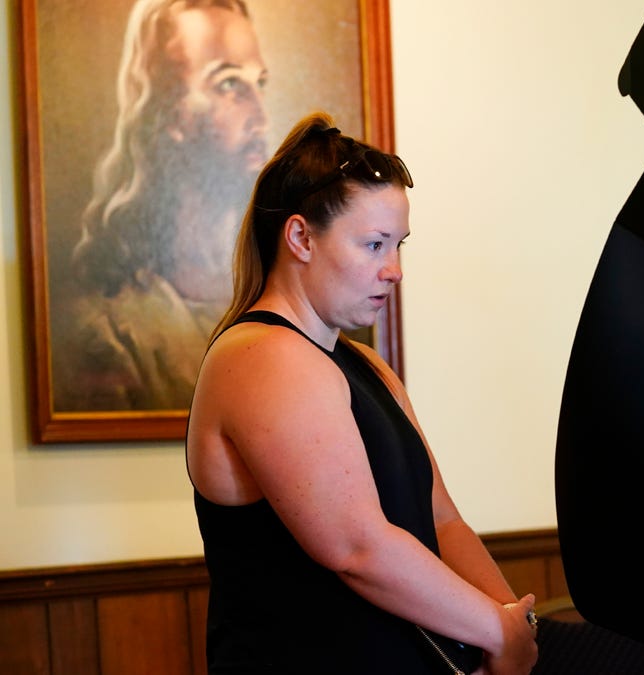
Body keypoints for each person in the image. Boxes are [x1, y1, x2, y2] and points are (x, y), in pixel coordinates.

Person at [186, 112, 538, 674]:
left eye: (399, 245)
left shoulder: (368, 365)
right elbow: (358, 549)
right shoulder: (259, 356)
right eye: (374, 245)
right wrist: (496, 631)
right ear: (301, 237)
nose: (395, 270)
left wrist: (513, 625)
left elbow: (441, 519)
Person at [54, 0, 269, 411]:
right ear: (169, 113)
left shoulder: (277, 295)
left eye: (260, 83)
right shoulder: (112, 328)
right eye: (228, 84)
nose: (260, 115)